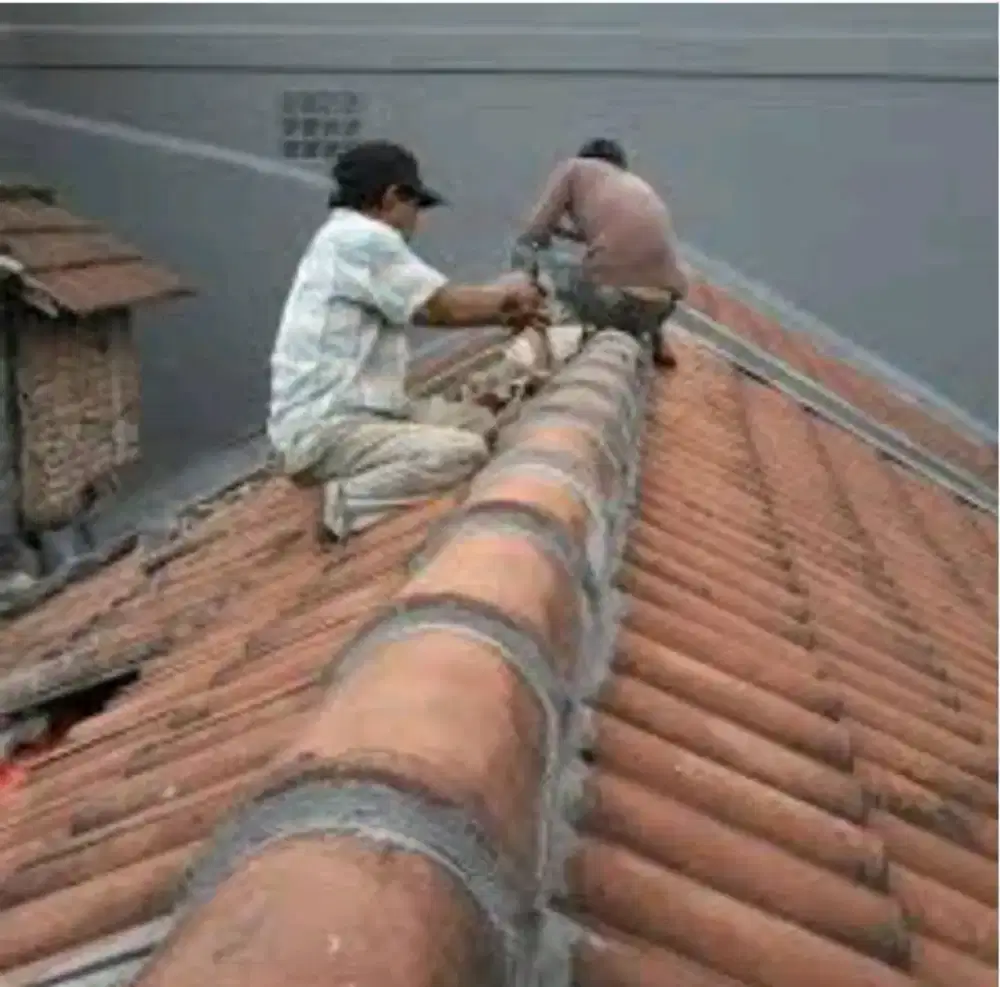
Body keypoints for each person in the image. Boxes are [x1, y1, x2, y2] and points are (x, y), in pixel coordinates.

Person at [268, 140, 548, 542]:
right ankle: (346, 505)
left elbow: (430, 307)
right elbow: (438, 307)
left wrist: (502, 309)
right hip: (329, 429)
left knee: (481, 424)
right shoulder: (363, 240)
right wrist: (509, 302)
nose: (416, 221)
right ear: (392, 197)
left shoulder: (338, 239)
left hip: (352, 417)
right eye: (415, 206)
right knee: (462, 453)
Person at [512, 138, 689, 366]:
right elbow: (619, 241)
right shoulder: (636, 186)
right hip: (659, 312)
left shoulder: (574, 168)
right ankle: (658, 339)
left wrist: (540, 231)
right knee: (638, 268)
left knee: (528, 250)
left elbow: (534, 233)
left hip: (610, 305)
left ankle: (517, 317)